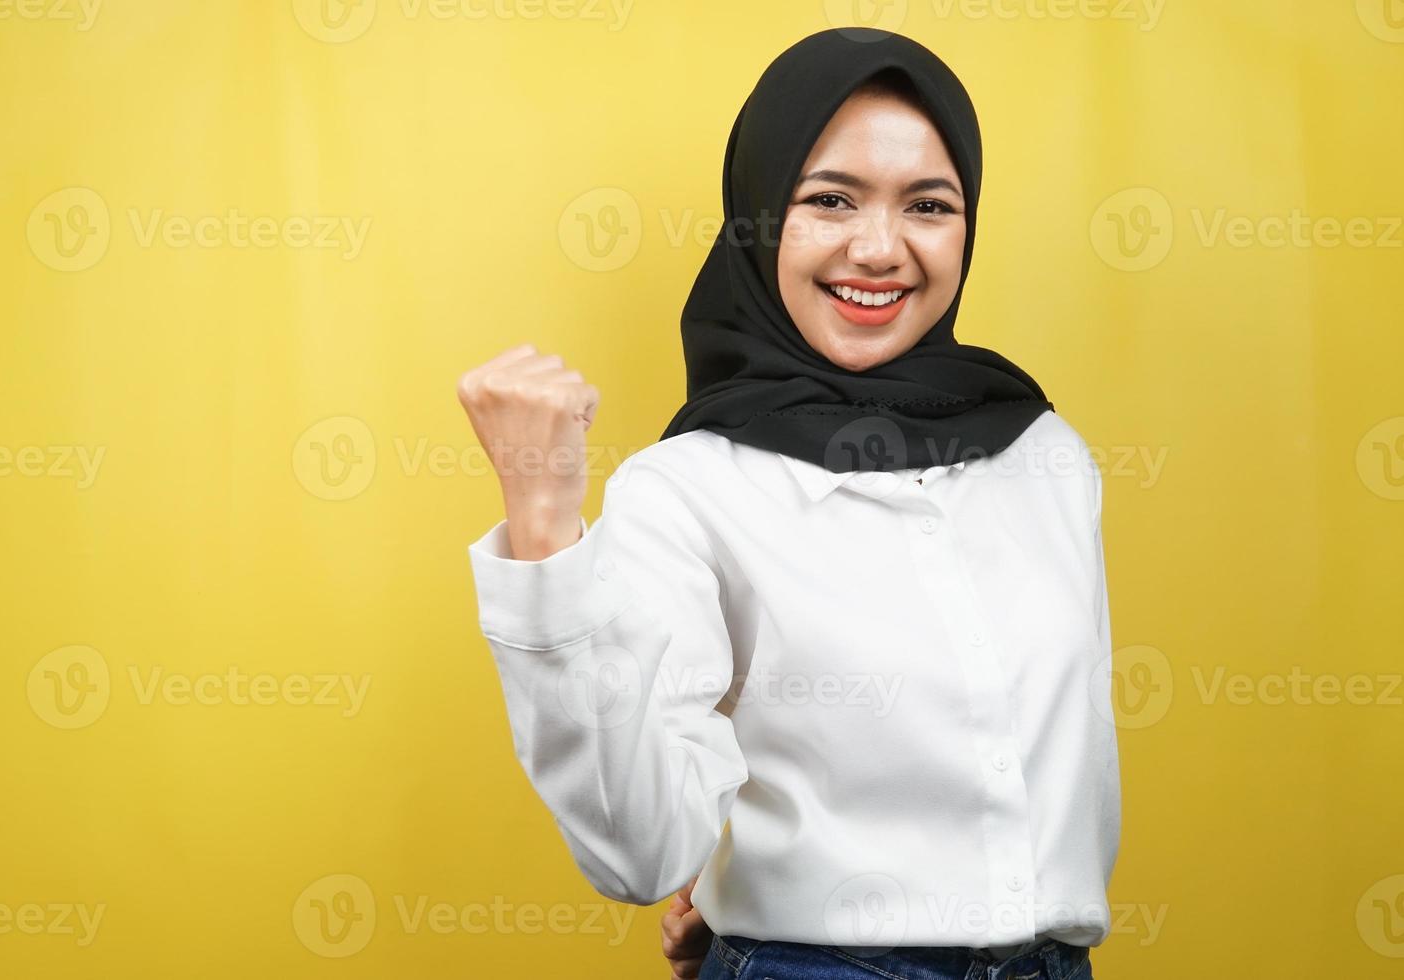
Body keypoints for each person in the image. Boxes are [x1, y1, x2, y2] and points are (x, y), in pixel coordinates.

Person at [457, 27, 1117, 980]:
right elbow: (638, 853)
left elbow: (1041, 775)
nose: (879, 248)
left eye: (928, 204)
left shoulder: (1044, 454)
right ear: (761, 216)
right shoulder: (689, 486)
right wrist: (544, 523)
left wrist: (740, 890)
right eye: (829, 200)